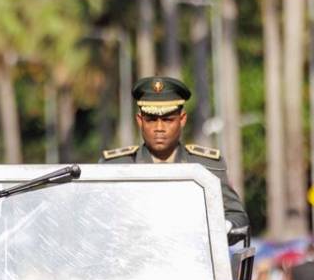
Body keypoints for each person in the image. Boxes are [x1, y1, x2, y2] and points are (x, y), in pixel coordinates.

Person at [99, 76, 248, 231]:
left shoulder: (207, 167)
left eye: (168, 120)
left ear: (182, 119)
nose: (159, 128)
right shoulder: (116, 166)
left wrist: (221, 228)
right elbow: (95, 215)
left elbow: (237, 215)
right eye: (151, 120)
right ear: (140, 120)